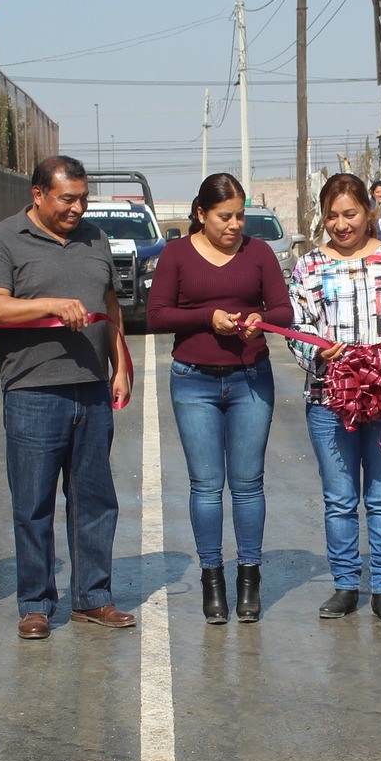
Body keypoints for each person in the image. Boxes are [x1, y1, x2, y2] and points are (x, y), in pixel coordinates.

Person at [0, 155, 137, 639]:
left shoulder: (95, 238)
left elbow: (109, 305)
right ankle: (36, 602)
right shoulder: (3, 240)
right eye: (68, 198)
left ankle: (93, 597)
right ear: (38, 194)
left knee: (94, 499)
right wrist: (48, 305)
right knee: (33, 503)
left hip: (90, 389)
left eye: (83, 198)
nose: (77, 207)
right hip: (32, 390)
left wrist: (121, 365)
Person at [147, 172, 292, 625]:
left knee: (248, 484)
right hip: (194, 382)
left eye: (240, 216)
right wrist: (207, 318)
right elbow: (156, 314)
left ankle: (249, 579)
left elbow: (284, 309)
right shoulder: (176, 254)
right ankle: (213, 580)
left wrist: (259, 319)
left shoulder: (260, 252)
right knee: (206, 486)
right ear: (200, 214)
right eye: (224, 216)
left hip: (251, 379)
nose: (234, 225)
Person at [289, 172, 381, 623]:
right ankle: (346, 584)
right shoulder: (308, 266)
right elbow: (298, 327)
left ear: (370, 212)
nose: (342, 225)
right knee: (340, 499)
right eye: (332, 216)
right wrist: (318, 351)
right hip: (330, 401)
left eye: (350, 214)